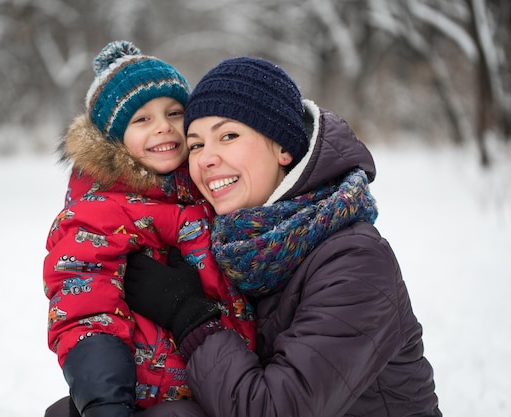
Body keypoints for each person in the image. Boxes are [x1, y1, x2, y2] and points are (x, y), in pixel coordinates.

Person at [123, 56, 442, 417]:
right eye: (195, 145)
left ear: (283, 149)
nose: (206, 159)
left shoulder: (356, 262)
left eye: (228, 136)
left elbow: (275, 409)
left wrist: (190, 317)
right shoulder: (230, 245)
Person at [43, 43, 255, 417]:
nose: (163, 127)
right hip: (152, 400)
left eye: (174, 112)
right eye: (142, 120)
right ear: (112, 138)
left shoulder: (207, 191)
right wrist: (105, 402)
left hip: (226, 383)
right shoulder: (98, 213)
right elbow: (86, 311)